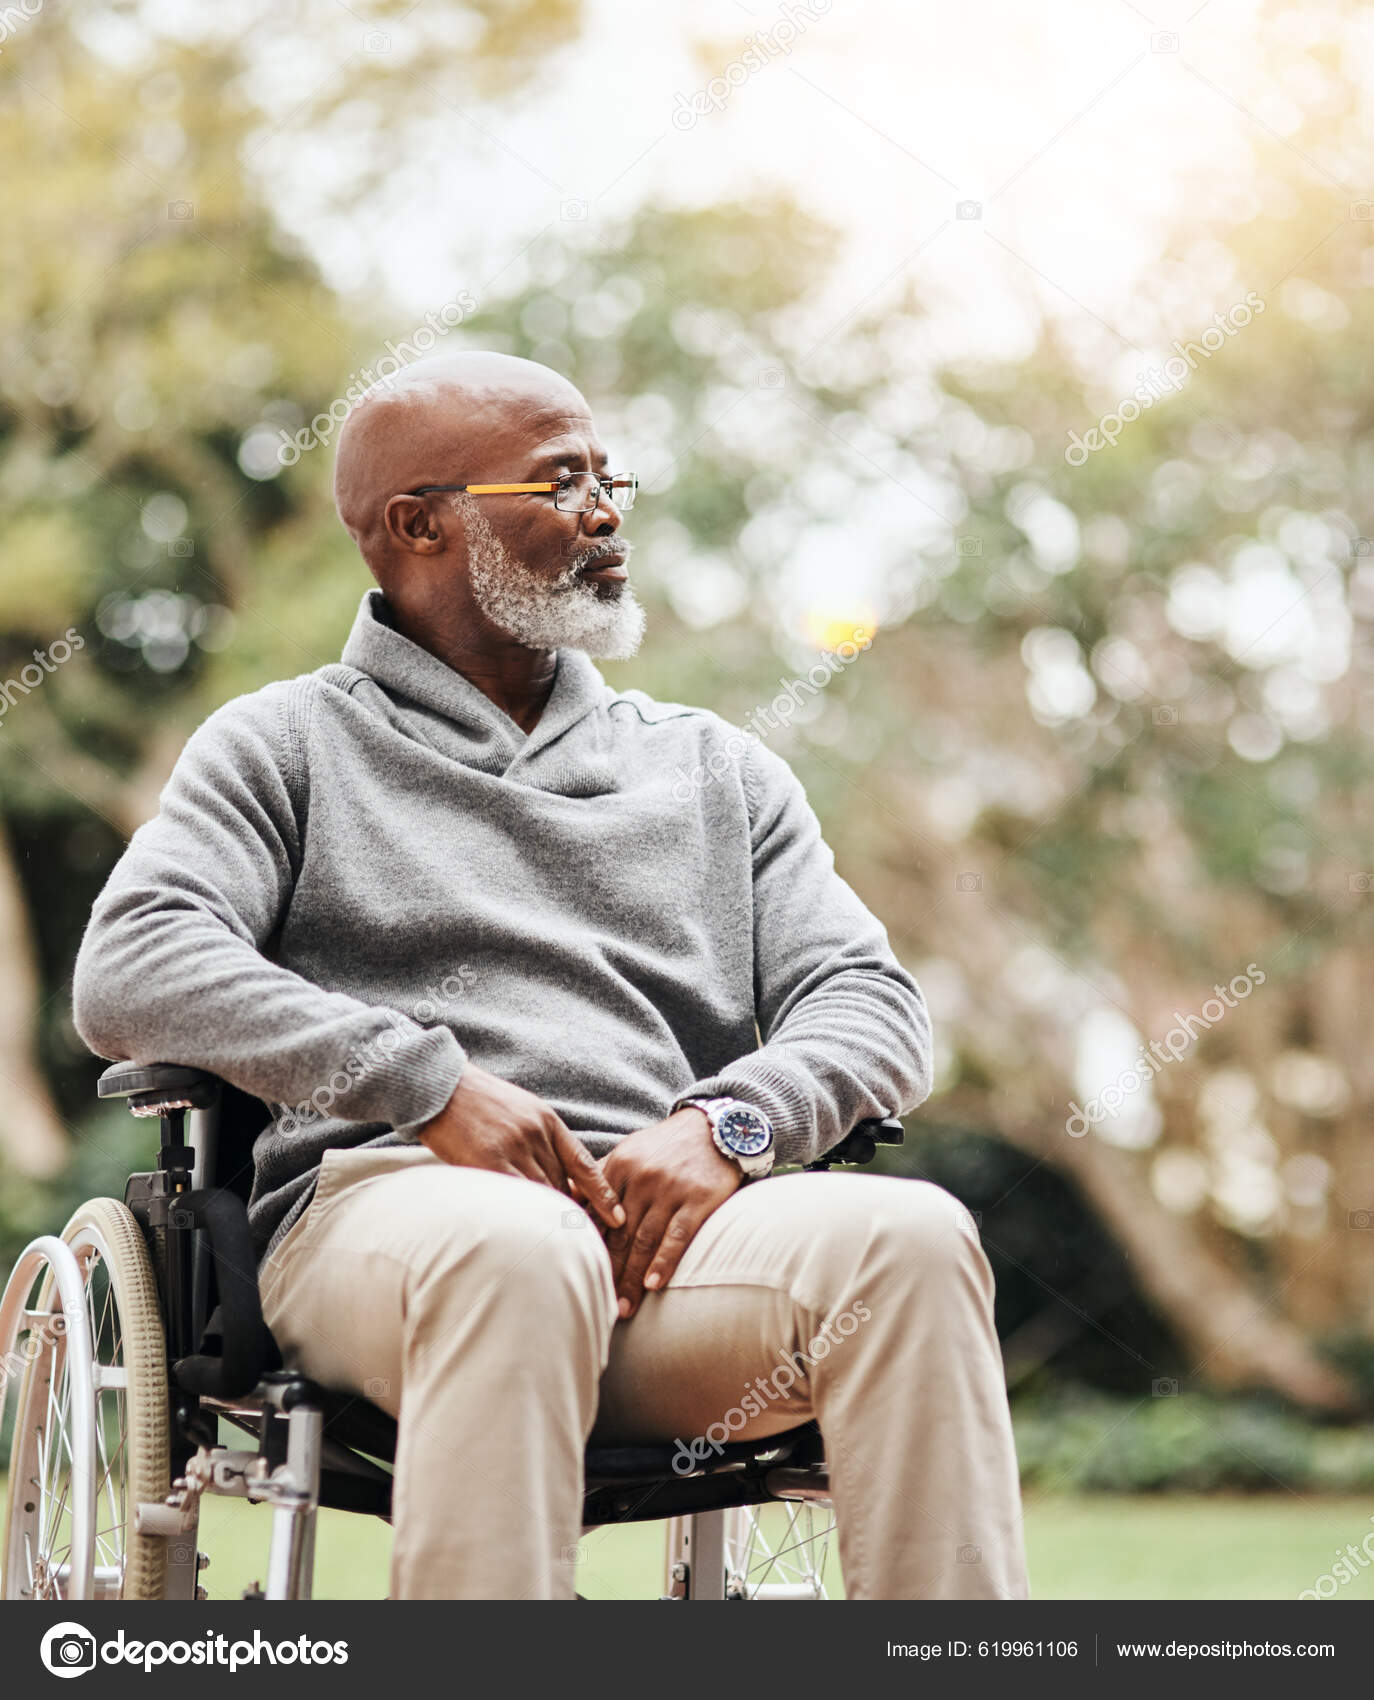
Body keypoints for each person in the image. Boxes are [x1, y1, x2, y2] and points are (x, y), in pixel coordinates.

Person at [73, 351, 1028, 1601]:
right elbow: (133, 959)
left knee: (911, 1237)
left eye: (605, 474)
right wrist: (426, 1083)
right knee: (517, 1246)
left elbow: (874, 1002)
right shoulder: (283, 744)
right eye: (558, 479)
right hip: (392, 1223)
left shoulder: (713, 769)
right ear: (419, 523)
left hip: (663, 1245)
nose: (604, 508)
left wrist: (729, 1125)